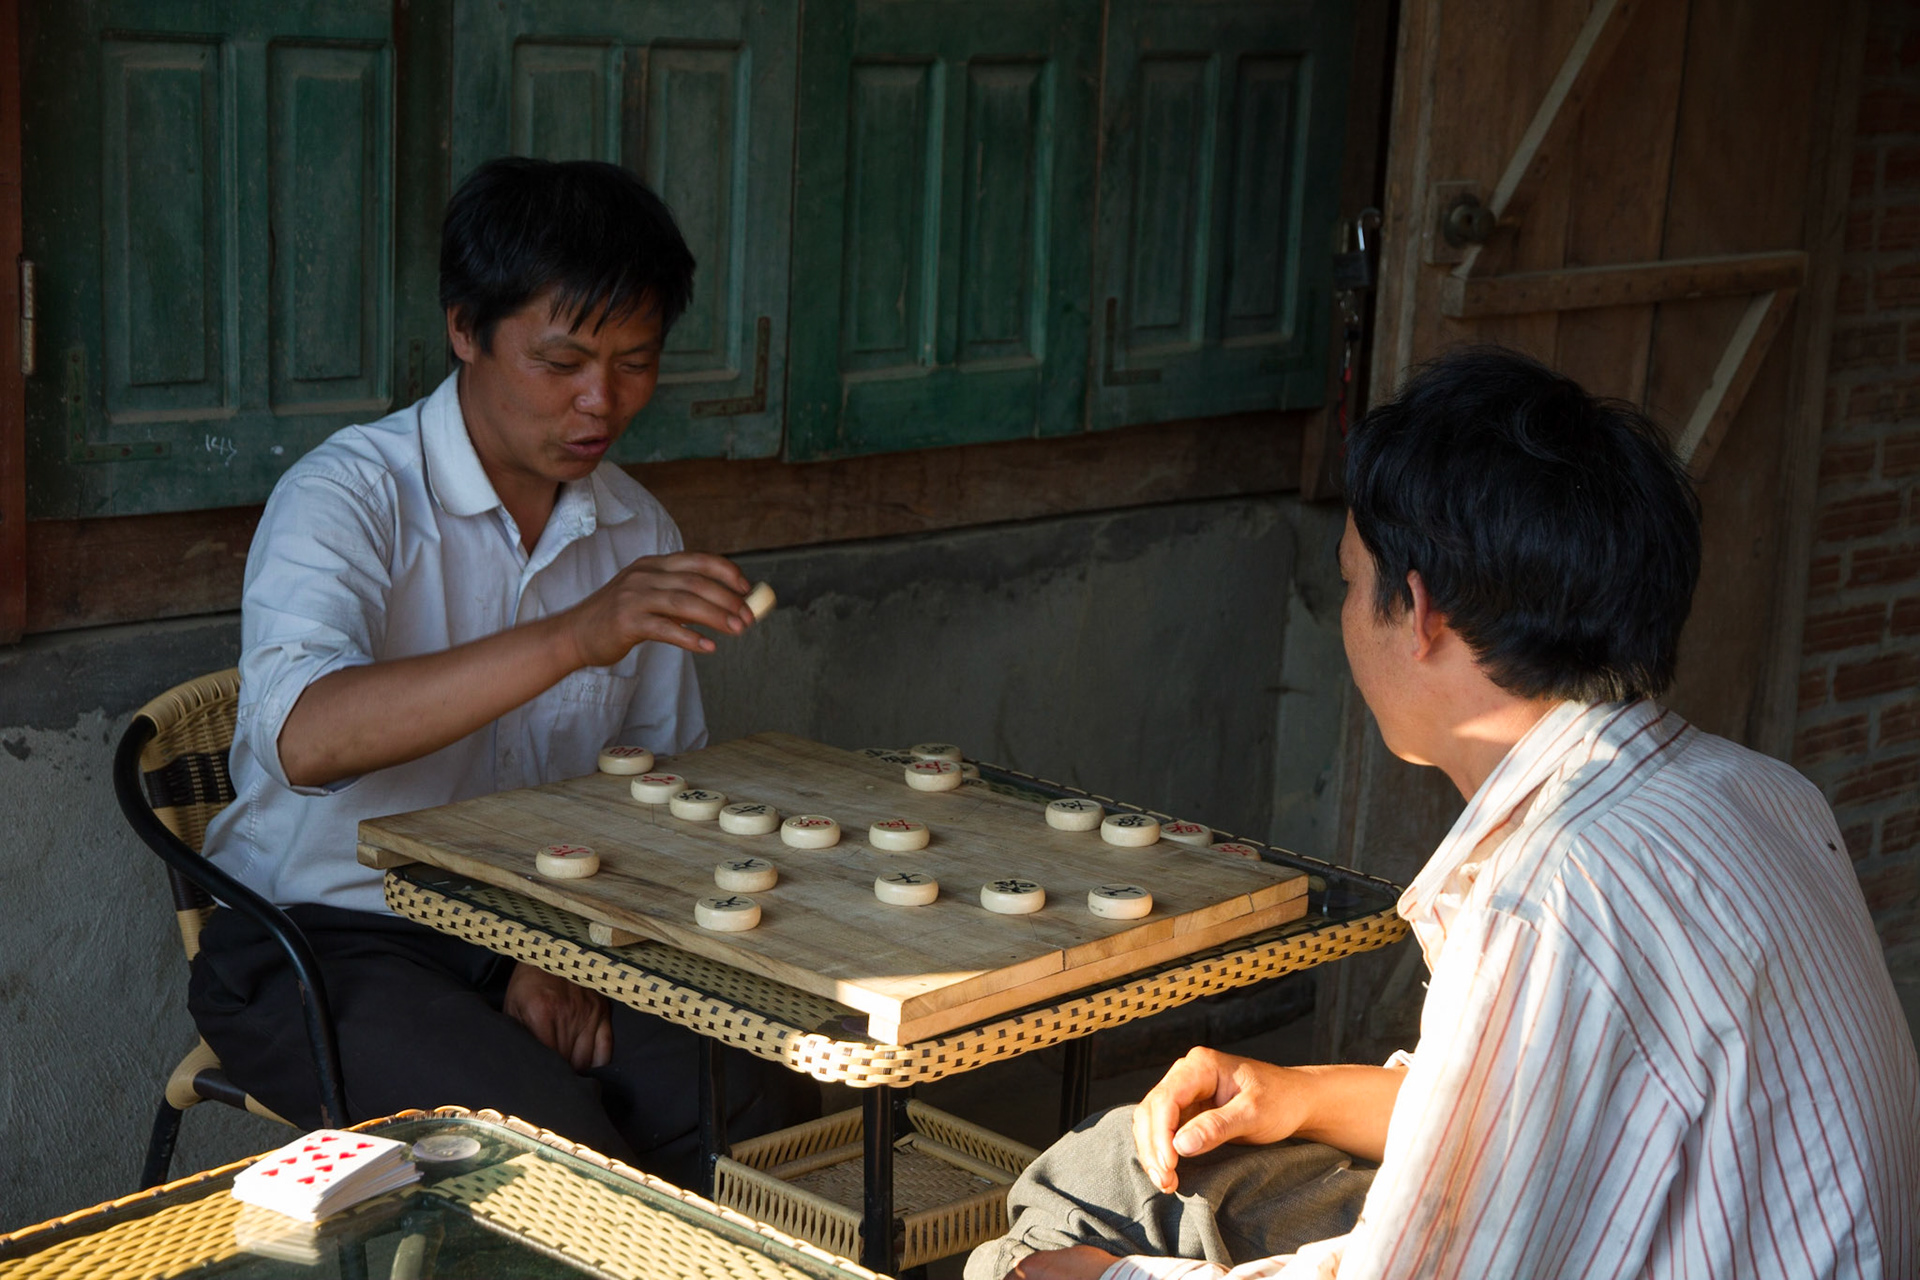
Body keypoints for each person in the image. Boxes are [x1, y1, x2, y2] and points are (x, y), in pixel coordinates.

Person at [968, 348, 1920, 1280]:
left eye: (1349, 580)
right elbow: (1552, 1114)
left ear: (1417, 612)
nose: (1348, 609)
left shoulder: (1550, 901)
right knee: (1109, 1166)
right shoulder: (1757, 791)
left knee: (1048, 1235)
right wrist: (1295, 1094)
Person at [189, 157, 816, 1182]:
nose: (599, 400)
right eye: (562, 359)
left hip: (555, 932)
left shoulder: (633, 527)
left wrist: (557, 946)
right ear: (465, 330)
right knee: (551, 1158)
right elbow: (308, 736)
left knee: (759, 1109)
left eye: (636, 361)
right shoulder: (349, 497)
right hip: (327, 940)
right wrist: (578, 633)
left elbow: (655, 793)